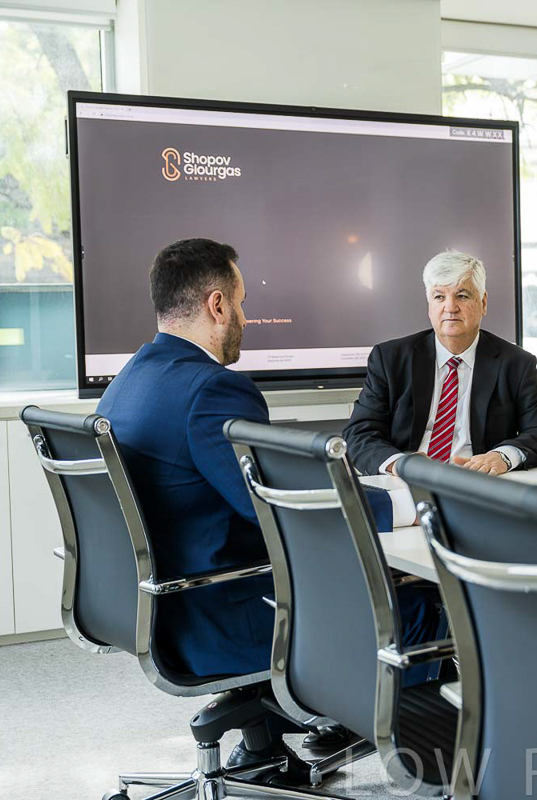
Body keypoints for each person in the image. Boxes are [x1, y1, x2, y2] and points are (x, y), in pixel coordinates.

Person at [97, 238, 437, 772]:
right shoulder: (211, 390)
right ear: (216, 305)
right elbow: (286, 509)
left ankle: (263, 747)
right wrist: (407, 507)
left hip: (156, 607)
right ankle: (423, 765)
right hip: (215, 616)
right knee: (419, 604)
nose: (245, 318)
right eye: (241, 303)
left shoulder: (129, 381)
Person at [344, 250, 537, 476]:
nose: (450, 307)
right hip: (407, 481)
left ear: (483, 302)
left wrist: (502, 457)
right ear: (429, 305)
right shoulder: (390, 359)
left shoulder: (516, 363)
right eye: (439, 297)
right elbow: (360, 433)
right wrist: (401, 465)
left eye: (462, 296)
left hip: (477, 481)